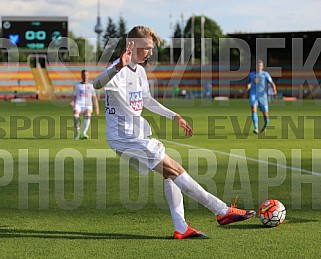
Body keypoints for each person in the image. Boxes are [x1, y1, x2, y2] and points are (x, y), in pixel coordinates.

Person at [94, 26, 255, 239]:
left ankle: (181, 227)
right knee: (176, 169)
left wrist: (174, 116)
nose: (150, 53)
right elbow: (96, 84)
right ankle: (222, 211)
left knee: (170, 175)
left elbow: (147, 100)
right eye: (146, 48)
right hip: (124, 137)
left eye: (151, 48)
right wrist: (117, 67)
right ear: (131, 46)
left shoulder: (140, 71)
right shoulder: (118, 68)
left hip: (135, 136)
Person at [247, 60, 277, 134]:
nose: (259, 67)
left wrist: (274, 89)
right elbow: (249, 83)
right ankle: (256, 128)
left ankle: (265, 126)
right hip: (253, 94)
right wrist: (248, 87)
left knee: (265, 114)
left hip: (262, 95)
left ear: (262, 67)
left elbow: (271, 83)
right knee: (254, 110)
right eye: (258, 65)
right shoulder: (251, 74)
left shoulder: (265, 74)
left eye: (260, 65)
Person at [71, 69, 99, 140]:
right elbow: (74, 96)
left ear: (88, 76)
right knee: (75, 115)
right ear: (81, 76)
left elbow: (94, 97)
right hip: (78, 103)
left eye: (86, 75)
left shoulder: (91, 86)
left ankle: (83, 133)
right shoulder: (77, 85)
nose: (85, 76)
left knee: (88, 115)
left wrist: (97, 108)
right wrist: (72, 102)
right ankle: (77, 131)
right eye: (84, 75)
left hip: (88, 104)